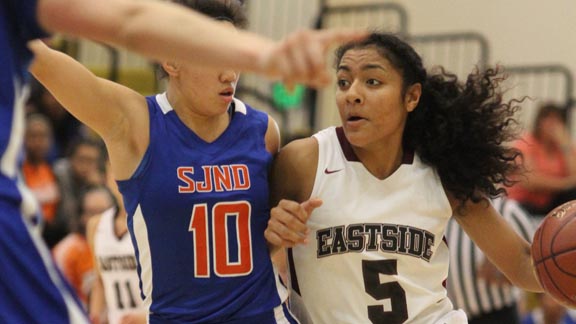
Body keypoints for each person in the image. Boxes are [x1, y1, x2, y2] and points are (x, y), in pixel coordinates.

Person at [3, 0, 363, 321]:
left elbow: (264, 241)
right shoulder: (136, 123)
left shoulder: (262, 130)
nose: (231, 74)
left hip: (262, 313)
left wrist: (282, 228)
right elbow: (43, 60)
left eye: (236, 59)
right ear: (171, 60)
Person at [264, 32, 543, 324]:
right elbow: (250, 256)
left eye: (372, 82)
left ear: (411, 97)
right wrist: (273, 234)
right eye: (344, 82)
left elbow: (523, 264)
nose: (352, 94)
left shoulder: (441, 169)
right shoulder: (304, 162)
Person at [446, 197, 535, 324]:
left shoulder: (508, 210)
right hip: (452, 317)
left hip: (496, 314)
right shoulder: (442, 212)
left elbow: (538, 265)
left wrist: (503, 274)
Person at [86, 169, 146, 324]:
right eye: (113, 170)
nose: (120, 175)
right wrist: (95, 317)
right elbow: (99, 281)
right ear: (106, 177)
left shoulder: (153, 221)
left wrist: (145, 317)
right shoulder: (96, 225)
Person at [508, 103, 576, 217]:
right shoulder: (527, 142)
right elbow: (530, 181)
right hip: (523, 203)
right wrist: (565, 185)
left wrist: (565, 146)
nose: (552, 125)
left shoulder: (563, 145)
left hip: (550, 203)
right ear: (539, 122)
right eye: (547, 119)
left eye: (557, 120)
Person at [53, 185, 116, 306]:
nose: (99, 218)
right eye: (92, 212)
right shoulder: (67, 250)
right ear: (82, 216)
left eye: (104, 211)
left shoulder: (127, 243)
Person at [21, 113, 62, 246]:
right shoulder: (17, 173)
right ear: (23, 138)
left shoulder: (53, 172)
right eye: (33, 136)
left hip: (52, 238)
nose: (38, 142)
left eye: (43, 136)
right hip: (26, 235)